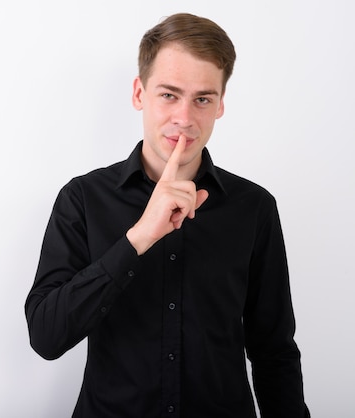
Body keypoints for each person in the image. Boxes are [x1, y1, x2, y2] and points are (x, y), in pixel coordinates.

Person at [25, 12, 310, 418]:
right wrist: (138, 237)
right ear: (139, 93)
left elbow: (274, 351)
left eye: (203, 99)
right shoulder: (83, 198)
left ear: (221, 105)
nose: (185, 118)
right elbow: (46, 336)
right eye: (169, 94)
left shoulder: (254, 207)